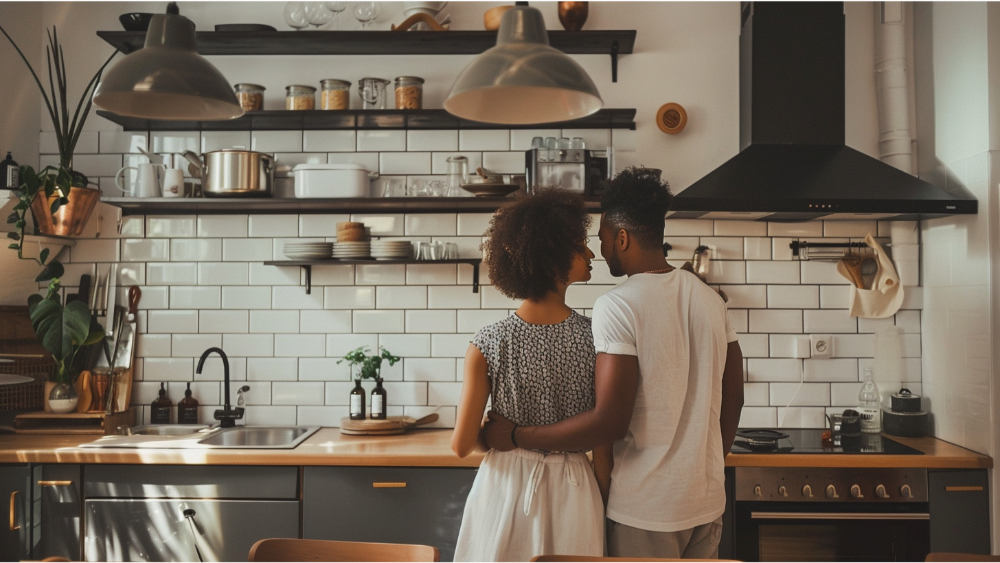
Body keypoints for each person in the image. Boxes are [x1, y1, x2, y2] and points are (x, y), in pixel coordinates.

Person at [482, 167, 745, 559]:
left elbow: (609, 421)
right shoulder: (709, 299)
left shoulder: (618, 305)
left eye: (603, 239)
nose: (600, 251)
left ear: (622, 238)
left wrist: (519, 435)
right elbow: (734, 397)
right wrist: (703, 467)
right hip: (705, 505)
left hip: (646, 510)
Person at [450, 190, 607, 563]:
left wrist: (499, 436)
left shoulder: (487, 343)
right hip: (575, 489)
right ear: (553, 260)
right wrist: (602, 501)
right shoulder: (598, 338)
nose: (590, 254)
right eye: (580, 246)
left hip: (504, 487)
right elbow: (603, 446)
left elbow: (460, 445)